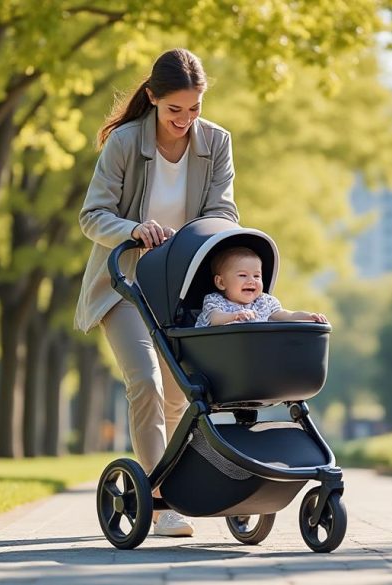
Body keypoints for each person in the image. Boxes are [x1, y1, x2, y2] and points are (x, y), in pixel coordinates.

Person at [74, 48, 238, 537]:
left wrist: (198, 238)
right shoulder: (125, 143)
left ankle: (174, 484)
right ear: (152, 98)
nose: (185, 120)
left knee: (179, 398)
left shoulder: (217, 143)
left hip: (179, 288)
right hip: (125, 285)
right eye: (174, 110)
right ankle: (162, 503)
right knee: (144, 380)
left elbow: (225, 213)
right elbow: (91, 216)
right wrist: (133, 229)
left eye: (195, 109)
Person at [195, 247, 328, 327]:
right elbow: (214, 318)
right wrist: (234, 316)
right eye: (242, 275)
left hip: (256, 351)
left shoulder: (264, 302)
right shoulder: (215, 301)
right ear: (221, 282)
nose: (251, 281)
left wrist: (309, 317)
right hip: (224, 348)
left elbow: (287, 315)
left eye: (257, 276)